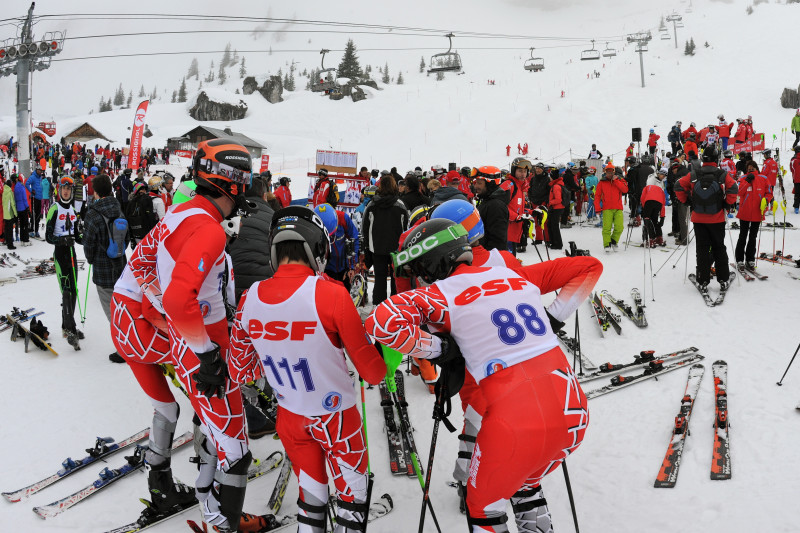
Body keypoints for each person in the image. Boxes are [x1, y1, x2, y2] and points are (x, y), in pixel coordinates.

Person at [366, 218, 600, 533]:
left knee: (483, 510)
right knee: (524, 482)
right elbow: (589, 266)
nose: (420, 277)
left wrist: (438, 349)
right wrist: (552, 318)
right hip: (574, 413)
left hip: (513, 424)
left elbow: (380, 323)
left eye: (420, 269)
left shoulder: (440, 293)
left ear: (434, 263)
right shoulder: (511, 272)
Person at [128, 138, 265, 532]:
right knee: (236, 451)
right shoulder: (209, 230)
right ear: (234, 182)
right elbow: (177, 296)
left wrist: (174, 325)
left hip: (187, 346)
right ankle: (225, 524)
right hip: (207, 351)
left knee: (213, 431)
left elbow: (141, 262)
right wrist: (206, 353)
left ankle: (212, 512)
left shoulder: (180, 213)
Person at [228, 206, 387, 533]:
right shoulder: (331, 293)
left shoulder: (250, 298)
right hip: (337, 420)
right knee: (351, 501)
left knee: (311, 497)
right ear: (318, 248)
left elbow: (240, 370)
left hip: (290, 416)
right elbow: (374, 374)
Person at [675, 146, 739, 293]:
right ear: (716, 159)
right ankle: (723, 278)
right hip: (717, 219)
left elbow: (678, 186)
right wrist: (727, 204)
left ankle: (702, 279)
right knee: (719, 247)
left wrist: (687, 201)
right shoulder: (722, 174)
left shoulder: (694, 174)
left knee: (702, 249)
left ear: (703, 159)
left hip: (698, 219)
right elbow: (733, 188)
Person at [82, 173, 130, 363]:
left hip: (103, 272)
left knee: (112, 314)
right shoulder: (118, 209)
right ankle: (131, 342)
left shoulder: (93, 214)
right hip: (121, 267)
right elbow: (125, 238)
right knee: (122, 308)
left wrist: (91, 259)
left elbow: (88, 243)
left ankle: (124, 351)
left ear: (96, 192)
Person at [45, 176, 82, 349]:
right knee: (66, 291)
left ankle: (68, 325)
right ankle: (71, 329)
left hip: (72, 254)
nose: (66, 191)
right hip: (61, 254)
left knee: (73, 291)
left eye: (68, 189)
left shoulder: (73, 211)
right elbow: (48, 236)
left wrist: (88, 238)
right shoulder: (54, 208)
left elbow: (77, 235)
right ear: (59, 190)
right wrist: (61, 241)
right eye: (63, 189)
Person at [228, 175, 276, 302]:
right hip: (262, 290)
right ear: (264, 196)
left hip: (229, 286)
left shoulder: (229, 213)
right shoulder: (275, 218)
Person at [362, 174, 408, 305]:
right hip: (396, 249)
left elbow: (364, 228)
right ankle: (395, 307)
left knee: (380, 279)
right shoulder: (400, 205)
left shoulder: (372, 205)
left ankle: (378, 306)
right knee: (395, 279)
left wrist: (367, 247)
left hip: (376, 248)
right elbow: (407, 228)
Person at [315, 202, 359, 292]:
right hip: (327, 269)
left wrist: (351, 267)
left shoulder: (343, 218)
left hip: (344, 267)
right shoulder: (313, 226)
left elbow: (354, 239)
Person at [735, 160, 771, 271]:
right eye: (748, 168)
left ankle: (750, 259)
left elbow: (769, 192)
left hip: (757, 212)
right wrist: (747, 181)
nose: (750, 169)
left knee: (753, 237)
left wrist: (766, 199)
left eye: (752, 168)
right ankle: (739, 259)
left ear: (756, 168)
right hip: (745, 212)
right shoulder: (742, 179)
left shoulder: (763, 178)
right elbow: (739, 192)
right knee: (743, 236)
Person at [474, 166, 509, 252]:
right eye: (475, 183)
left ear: (490, 184)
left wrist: (489, 259)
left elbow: (498, 241)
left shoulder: (496, 206)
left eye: (479, 183)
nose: (475, 186)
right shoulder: (487, 201)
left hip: (489, 258)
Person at [595, 163, 629, 252]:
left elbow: (625, 190)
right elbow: (597, 196)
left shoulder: (620, 180)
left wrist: (616, 181)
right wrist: (598, 208)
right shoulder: (601, 182)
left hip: (618, 208)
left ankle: (613, 241)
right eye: (608, 172)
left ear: (614, 172)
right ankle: (607, 244)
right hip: (607, 208)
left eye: (611, 172)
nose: (609, 174)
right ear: (605, 172)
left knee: (619, 227)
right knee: (606, 228)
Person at [503, 157, 530, 255]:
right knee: (508, 263)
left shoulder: (520, 187)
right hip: (506, 232)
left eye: (525, 171)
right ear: (514, 171)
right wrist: (516, 217)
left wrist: (531, 212)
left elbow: (518, 208)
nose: (523, 174)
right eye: (520, 171)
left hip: (514, 232)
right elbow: (500, 207)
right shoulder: (509, 185)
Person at [641, 169, 667, 247]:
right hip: (654, 201)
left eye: (665, 176)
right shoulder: (652, 179)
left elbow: (643, 196)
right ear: (659, 173)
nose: (663, 177)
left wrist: (643, 206)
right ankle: (658, 238)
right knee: (653, 220)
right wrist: (662, 216)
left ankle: (650, 239)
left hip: (651, 201)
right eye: (662, 175)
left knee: (648, 219)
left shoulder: (660, 182)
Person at [126, 182, 157, 247]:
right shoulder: (147, 199)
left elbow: (127, 218)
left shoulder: (130, 203)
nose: (144, 191)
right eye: (143, 189)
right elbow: (150, 216)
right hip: (147, 234)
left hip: (135, 234)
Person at [546, 166, 566, 250]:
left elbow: (558, 199)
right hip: (556, 207)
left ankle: (557, 244)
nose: (549, 178)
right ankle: (553, 242)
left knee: (554, 226)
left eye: (550, 176)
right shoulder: (556, 185)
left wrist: (550, 203)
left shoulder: (556, 186)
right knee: (551, 224)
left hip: (556, 208)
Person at [25, 166, 46, 238]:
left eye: (41, 170)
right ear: (36, 170)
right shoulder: (33, 177)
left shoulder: (40, 177)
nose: (40, 171)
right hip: (34, 198)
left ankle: (36, 230)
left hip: (40, 198)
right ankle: (32, 230)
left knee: (38, 215)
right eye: (39, 170)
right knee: (33, 215)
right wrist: (31, 191)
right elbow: (27, 184)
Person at [13, 174, 30, 246]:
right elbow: (24, 198)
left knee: (21, 224)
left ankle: (22, 238)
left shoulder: (16, 187)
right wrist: (27, 207)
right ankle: (26, 239)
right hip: (23, 208)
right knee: (25, 224)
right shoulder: (22, 187)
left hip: (18, 208)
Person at [2, 177, 16, 250]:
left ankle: (7, 241)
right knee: (10, 230)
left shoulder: (4, 191)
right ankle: (10, 245)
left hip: (5, 213)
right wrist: (15, 214)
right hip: (10, 214)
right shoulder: (10, 192)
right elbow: (12, 204)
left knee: (6, 229)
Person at [791, 146, 800, 213]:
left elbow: (791, 169)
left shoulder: (793, 160)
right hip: (796, 179)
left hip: (797, 179)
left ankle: (796, 207)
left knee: (797, 194)